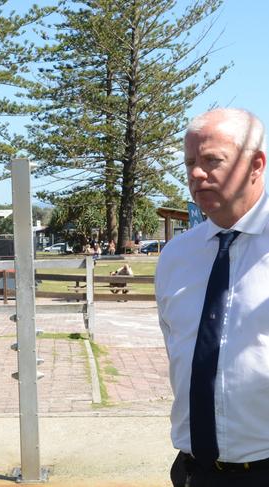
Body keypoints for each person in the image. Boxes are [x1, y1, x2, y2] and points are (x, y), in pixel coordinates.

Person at [156, 108, 268, 487]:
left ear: (256, 165)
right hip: (192, 472)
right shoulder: (175, 256)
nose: (196, 174)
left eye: (211, 161)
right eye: (190, 163)